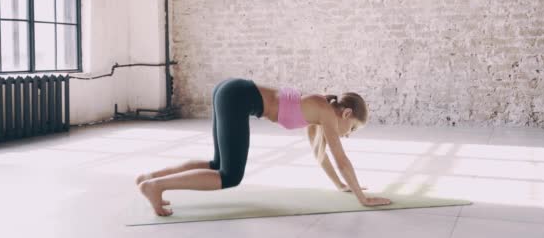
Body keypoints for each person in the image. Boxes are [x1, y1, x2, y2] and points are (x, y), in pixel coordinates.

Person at [136, 77, 392, 216]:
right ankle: (155, 187)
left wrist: (342, 185)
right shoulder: (324, 110)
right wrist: (363, 198)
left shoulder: (319, 111)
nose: (348, 135)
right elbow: (341, 158)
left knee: (217, 165)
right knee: (230, 176)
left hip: (232, 91)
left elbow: (322, 156)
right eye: (354, 129)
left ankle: (150, 178)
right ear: (346, 114)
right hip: (237, 96)